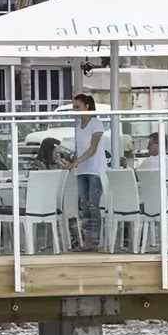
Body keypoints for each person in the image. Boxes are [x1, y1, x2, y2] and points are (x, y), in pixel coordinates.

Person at [64, 94, 106, 251]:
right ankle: (87, 240)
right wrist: (72, 161)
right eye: (73, 107)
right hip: (81, 170)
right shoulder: (78, 126)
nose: (75, 110)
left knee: (92, 205)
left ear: (87, 106)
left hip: (95, 169)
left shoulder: (97, 124)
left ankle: (94, 240)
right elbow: (80, 150)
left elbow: (92, 149)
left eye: (77, 107)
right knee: (83, 205)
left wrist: (76, 162)